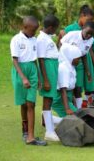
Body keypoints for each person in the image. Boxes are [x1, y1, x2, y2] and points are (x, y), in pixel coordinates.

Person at [10, 16, 47, 146]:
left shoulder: (34, 40)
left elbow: (35, 59)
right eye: (33, 30)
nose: (34, 33)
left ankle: (31, 137)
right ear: (24, 27)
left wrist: (39, 77)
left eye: (36, 30)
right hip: (20, 71)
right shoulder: (16, 39)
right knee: (23, 104)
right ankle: (25, 131)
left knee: (31, 103)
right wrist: (23, 78)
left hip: (32, 69)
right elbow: (15, 60)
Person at [60, 21, 94, 108]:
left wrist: (87, 71)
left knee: (78, 88)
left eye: (91, 34)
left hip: (78, 64)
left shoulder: (91, 40)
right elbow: (60, 45)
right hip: (66, 63)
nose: (89, 36)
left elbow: (84, 55)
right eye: (87, 33)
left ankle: (79, 109)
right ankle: (68, 107)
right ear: (83, 28)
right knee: (67, 87)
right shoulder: (72, 35)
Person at [37, 14, 60, 142]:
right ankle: (49, 131)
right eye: (55, 28)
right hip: (47, 68)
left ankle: (48, 124)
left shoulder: (47, 37)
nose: (56, 31)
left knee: (50, 98)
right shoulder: (41, 39)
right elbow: (40, 59)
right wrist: (45, 79)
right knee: (48, 98)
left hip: (52, 68)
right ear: (50, 27)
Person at [51, 43, 82, 119]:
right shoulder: (63, 68)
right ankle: (50, 119)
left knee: (78, 118)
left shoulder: (71, 66)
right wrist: (67, 109)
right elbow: (63, 90)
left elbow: (71, 87)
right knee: (75, 120)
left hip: (67, 98)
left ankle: (50, 119)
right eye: (77, 58)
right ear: (71, 57)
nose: (79, 60)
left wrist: (73, 102)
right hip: (60, 99)